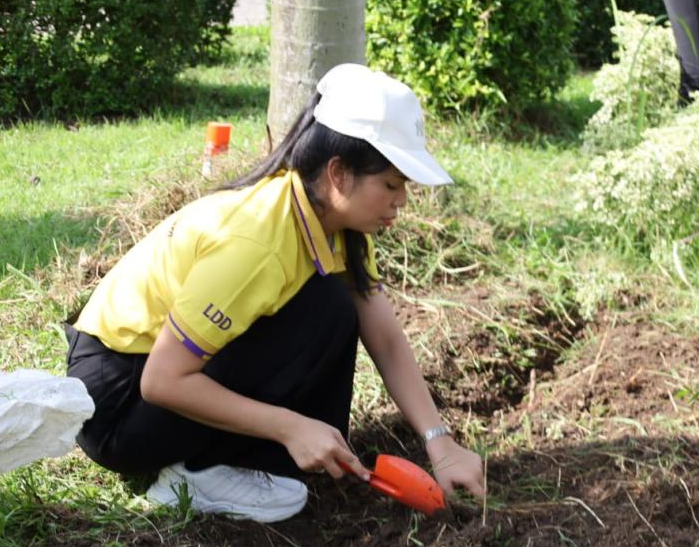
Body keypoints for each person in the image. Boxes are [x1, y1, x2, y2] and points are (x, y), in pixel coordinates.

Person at [66, 66, 487, 522]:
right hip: (116, 405)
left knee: (331, 306)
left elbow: (381, 334)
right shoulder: (256, 244)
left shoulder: (334, 226)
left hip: (152, 380)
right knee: (320, 309)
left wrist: (439, 442)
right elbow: (162, 380)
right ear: (339, 174)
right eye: (390, 184)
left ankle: (248, 457)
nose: (400, 201)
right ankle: (195, 474)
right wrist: (290, 427)